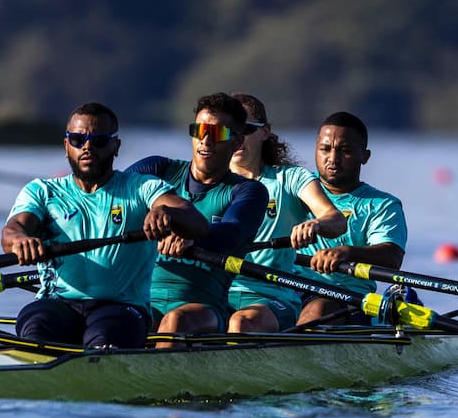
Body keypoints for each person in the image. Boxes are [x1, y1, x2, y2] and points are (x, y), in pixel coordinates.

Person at [2, 102, 208, 349]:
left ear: (116, 146)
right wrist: (20, 241)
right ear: (66, 146)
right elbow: (12, 231)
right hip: (58, 302)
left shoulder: (141, 187)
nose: (87, 147)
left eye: (98, 141)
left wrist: (165, 212)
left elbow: (196, 221)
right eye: (78, 140)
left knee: (104, 338)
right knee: (35, 327)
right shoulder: (42, 191)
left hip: (122, 307)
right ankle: (32, 364)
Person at [126, 93, 269, 343]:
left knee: (175, 320)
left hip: (204, 308)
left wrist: (190, 236)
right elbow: (110, 198)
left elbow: (231, 232)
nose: (205, 140)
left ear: (236, 142)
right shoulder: (157, 170)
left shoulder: (248, 191)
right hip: (141, 299)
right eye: (199, 130)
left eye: (217, 133)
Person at [226, 93, 348, 333]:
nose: (237, 137)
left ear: (265, 132)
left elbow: (336, 220)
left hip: (271, 296)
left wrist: (316, 225)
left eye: (246, 129)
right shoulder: (206, 181)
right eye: (229, 130)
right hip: (215, 292)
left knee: (240, 324)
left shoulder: (289, 179)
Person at [294, 111, 408, 326]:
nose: (332, 159)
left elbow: (392, 257)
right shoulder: (295, 190)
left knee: (318, 310)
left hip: (345, 300)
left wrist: (348, 253)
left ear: (365, 156)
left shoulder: (382, 204)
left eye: (344, 151)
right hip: (285, 290)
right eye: (325, 149)